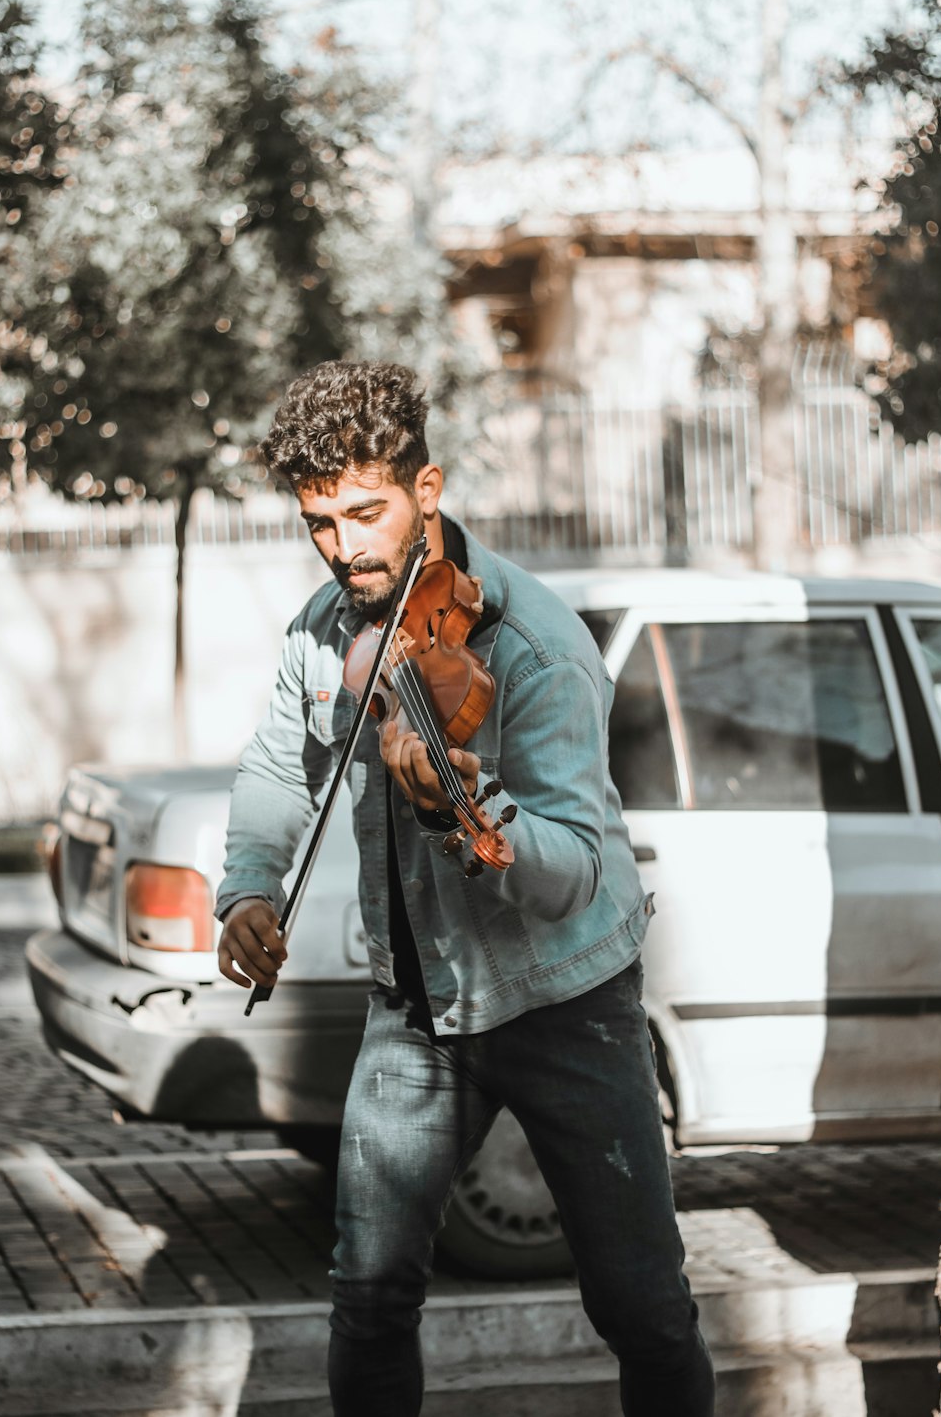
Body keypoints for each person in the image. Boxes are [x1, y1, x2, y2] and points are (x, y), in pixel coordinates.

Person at [214, 360, 715, 1416]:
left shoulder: (534, 647)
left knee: (642, 1306)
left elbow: (571, 871)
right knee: (368, 1291)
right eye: (319, 522)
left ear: (426, 492)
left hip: (568, 1002)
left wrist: (464, 809)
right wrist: (249, 888)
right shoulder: (326, 627)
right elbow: (274, 764)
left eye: (366, 513)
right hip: (416, 1009)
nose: (345, 547)